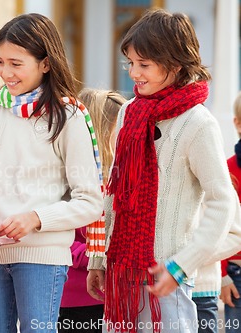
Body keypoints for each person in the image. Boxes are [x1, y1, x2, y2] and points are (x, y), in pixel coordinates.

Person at [86, 9, 240, 333]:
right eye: (130, 63)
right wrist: (99, 258)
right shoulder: (129, 112)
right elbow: (114, 194)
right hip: (121, 278)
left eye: (144, 65)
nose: (133, 73)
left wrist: (182, 266)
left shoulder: (198, 123)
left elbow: (223, 202)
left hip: (166, 282)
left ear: (175, 65)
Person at [0, 13, 104, 333]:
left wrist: (36, 218)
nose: (5, 72)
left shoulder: (70, 116)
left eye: (16, 63)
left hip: (43, 259)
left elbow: (91, 201)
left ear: (46, 64)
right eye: (0, 62)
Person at [58, 88, 127, 333]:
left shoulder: (122, 178)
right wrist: (96, 259)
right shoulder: (67, 179)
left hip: (118, 294)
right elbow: (62, 238)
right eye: (120, 129)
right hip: (77, 299)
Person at [220, 91, 241, 333]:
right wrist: (222, 274)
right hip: (236, 274)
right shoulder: (228, 169)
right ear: (237, 123)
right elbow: (221, 223)